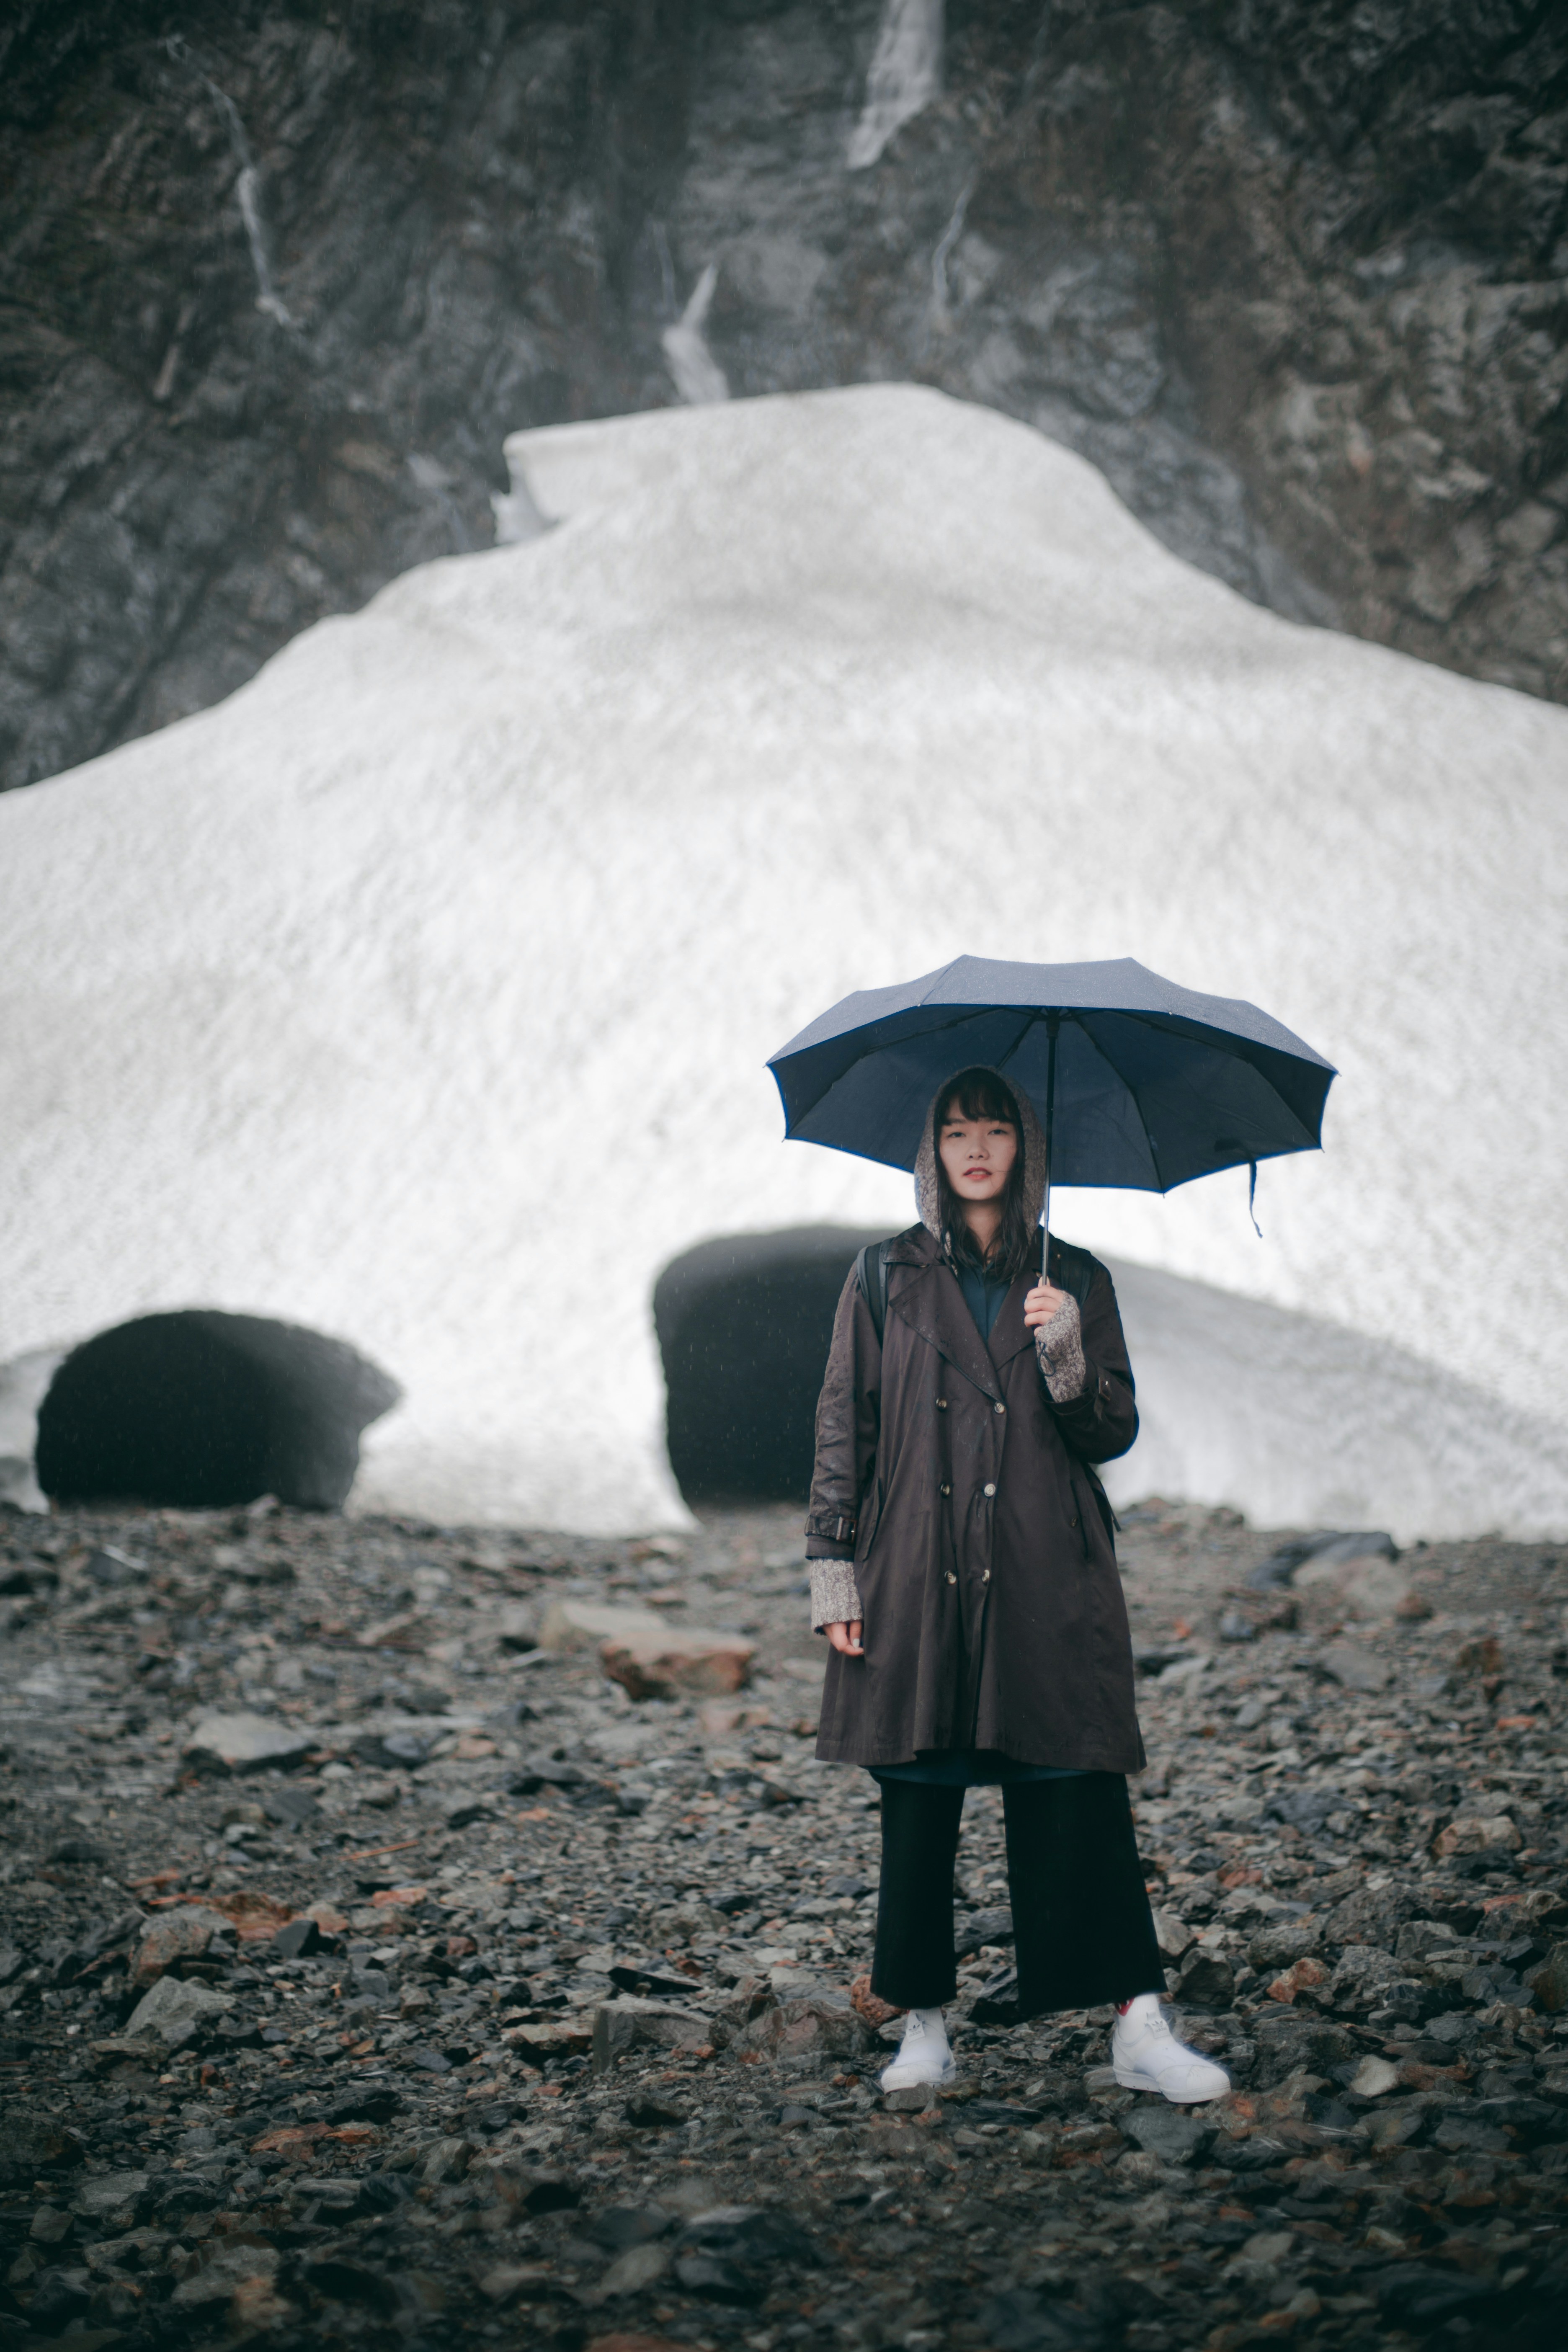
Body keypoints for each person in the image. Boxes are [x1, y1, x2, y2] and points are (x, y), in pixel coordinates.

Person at [805, 1065, 1228, 2104]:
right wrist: (833, 1571)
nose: (978, 1147)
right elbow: (841, 1427)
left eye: (998, 1128)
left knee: (1074, 1783)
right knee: (919, 1793)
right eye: (959, 1131)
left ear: (1024, 1150)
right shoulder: (880, 1276)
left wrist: (1067, 1348)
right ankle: (924, 2027)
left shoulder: (1073, 1277)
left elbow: (1111, 1432)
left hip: (1046, 1563)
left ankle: (1135, 2023)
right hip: (916, 1563)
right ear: (934, 1152)